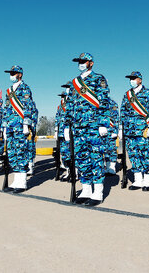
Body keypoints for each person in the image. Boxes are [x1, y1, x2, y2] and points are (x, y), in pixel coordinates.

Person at [64, 53, 111, 206]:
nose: (81, 64)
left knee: (95, 157)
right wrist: (67, 125)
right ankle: (86, 189)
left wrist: (103, 122)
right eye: (79, 61)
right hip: (78, 127)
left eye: (83, 61)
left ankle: (97, 192)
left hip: (94, 126)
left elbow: (104, 101)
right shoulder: (74, 82)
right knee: (82, 159)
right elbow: (69, 105)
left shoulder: (99, 78)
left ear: (91, 63)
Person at [119, 71, 149, 191]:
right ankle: (138, 180)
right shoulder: (127, 94)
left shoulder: (148, 93)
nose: (131, 80)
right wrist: (121, 128)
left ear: (140, 80)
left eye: (134, 78)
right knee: (133, 155)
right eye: (130, 78)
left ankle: (147, 180)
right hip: (130, 131)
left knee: (145, 154)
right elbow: (123, 111)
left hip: (143, 130)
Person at [2, 66, 37, 192]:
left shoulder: (25, 88)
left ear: (20, 75)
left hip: (20, 126)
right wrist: (4, 126)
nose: (11, 75)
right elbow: (6, 109)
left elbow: (28, 107)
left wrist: (26, 124)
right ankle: (16, 180)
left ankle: (22, 182)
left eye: (13, 73)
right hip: (11, 126)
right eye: (10, 73)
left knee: (21, 152)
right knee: (12, 153)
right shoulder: (9, 90)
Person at [104, 97, 120, 176]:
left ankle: (112, 167)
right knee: (105, 150)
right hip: (101, 131)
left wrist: (115, 131)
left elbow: (115, 117)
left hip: (110, 130)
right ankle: (107, 167)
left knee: (112, 149)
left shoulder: (112, 103)